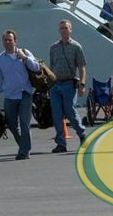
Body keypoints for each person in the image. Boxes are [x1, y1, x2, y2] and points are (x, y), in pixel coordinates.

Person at [0, 30, 39, 160]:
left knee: (25, 123)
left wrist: (24, 58)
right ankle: (24, 146)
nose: (8, 42)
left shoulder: (25, 53)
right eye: (5, 40)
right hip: (10, 96)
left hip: (25, 94)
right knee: (12, 125)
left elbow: (36, 68)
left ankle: (24, 151)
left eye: (10, 40)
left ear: (15, 41)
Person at [48, 20, 87, 153]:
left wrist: (82, 84)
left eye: (66, 28)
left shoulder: (76, 47)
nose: (63, 30)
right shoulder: (53, 47)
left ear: (70, 30)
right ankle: (61, 143)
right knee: (57, 114)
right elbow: (51, 67)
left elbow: (82, 67)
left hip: (69, 83)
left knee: (70, 112)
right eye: (61, 28)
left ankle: (82, 134)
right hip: (55, 85)